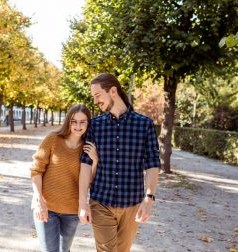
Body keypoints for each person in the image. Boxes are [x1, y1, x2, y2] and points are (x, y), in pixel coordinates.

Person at [79, 73, 161, 252]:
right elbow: (85, 164)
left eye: (98, 95)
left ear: (113, 91)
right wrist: (82, 202)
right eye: (93, 97)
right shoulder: (94, 125)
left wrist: (149, 198)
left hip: (132, 204)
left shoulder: (144, 125)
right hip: (101, 201)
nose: (95, 101)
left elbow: (153, 164)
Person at [30, 104, 98, 252]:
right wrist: (38, 198)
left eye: (82, 122)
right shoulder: (53, 139)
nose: (78, 126)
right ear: (68, 121)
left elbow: (90, 182)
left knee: (63, 250)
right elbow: (36, 170)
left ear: (88, 123)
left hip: (72, 211)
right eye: (74, 121)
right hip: (46, 207)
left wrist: (95, 160)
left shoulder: (89, 148)